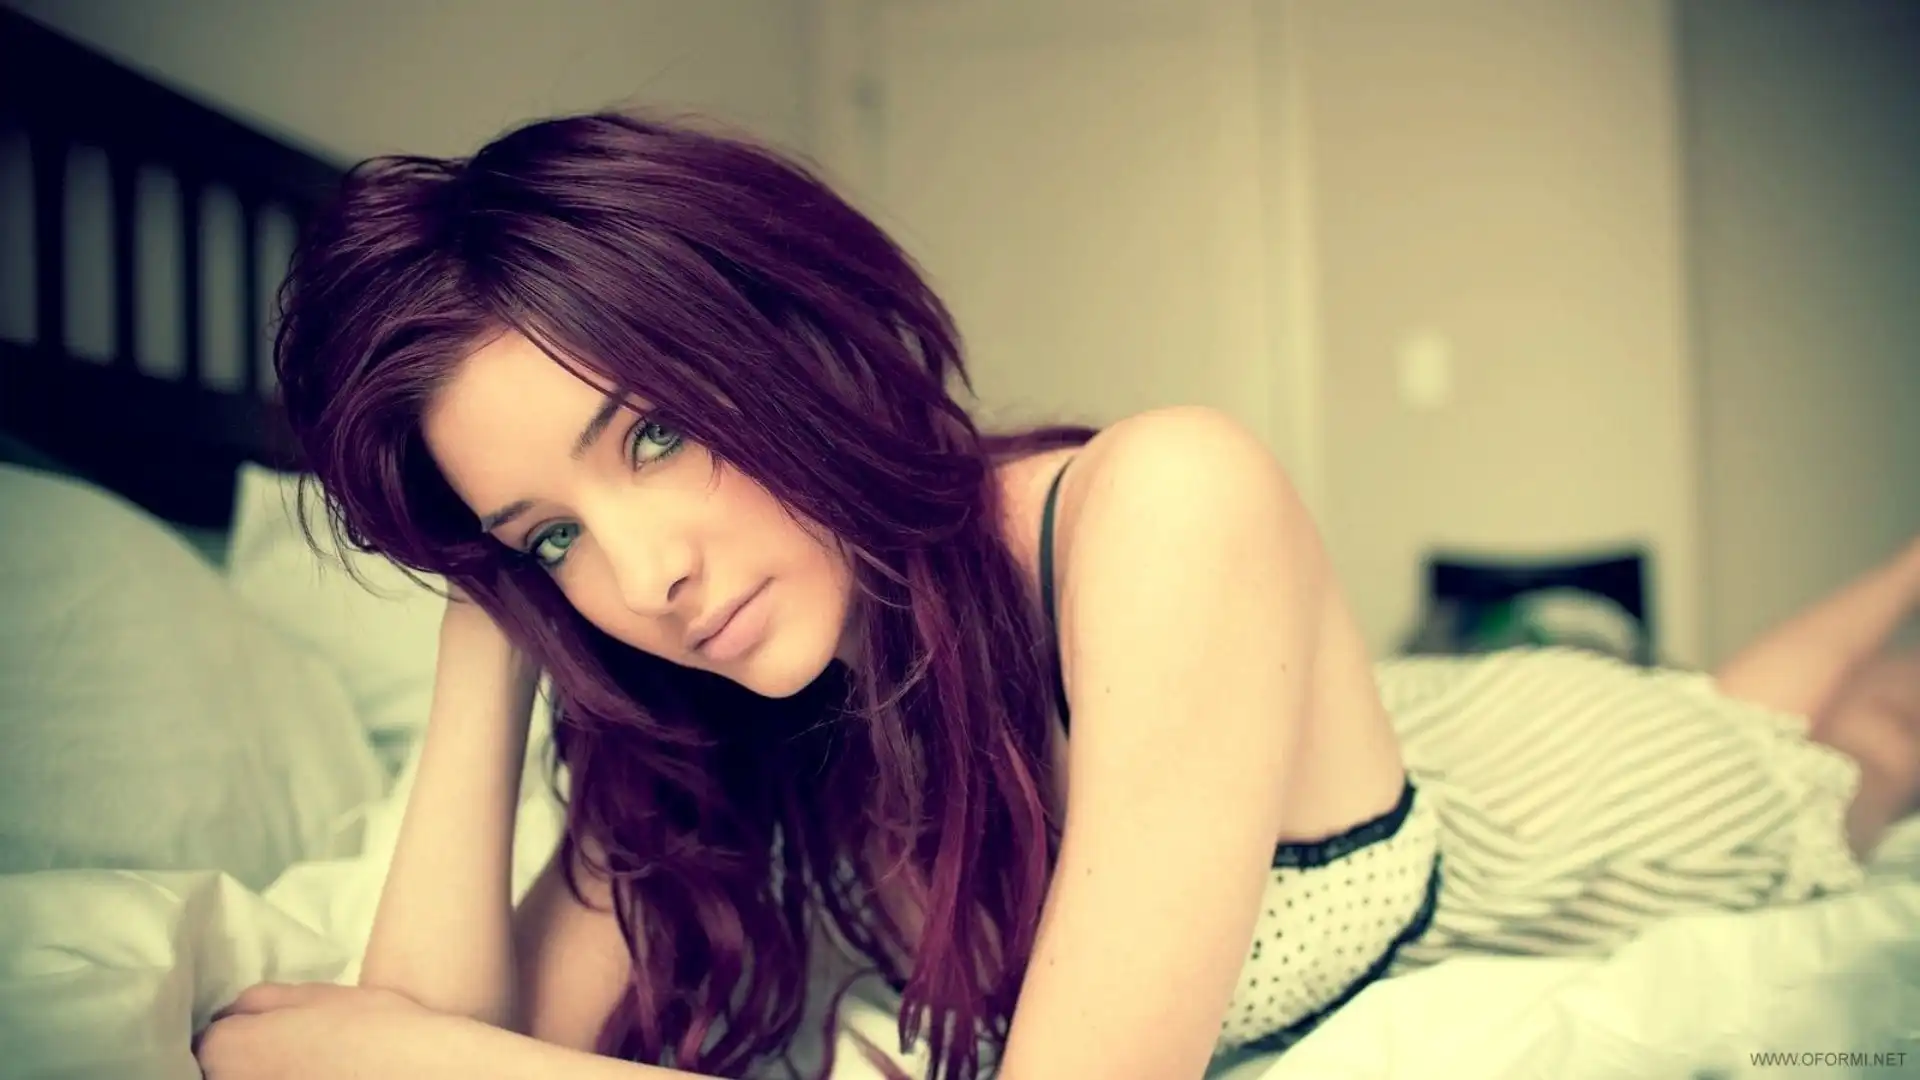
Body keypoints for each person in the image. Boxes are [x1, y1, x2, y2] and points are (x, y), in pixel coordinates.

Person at [192, 110, 1920, 1080]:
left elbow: (393, 1060)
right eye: (552, 534)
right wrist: (489, 620)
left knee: (1827, 741)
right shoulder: (711, 706)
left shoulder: (1164, 497)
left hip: (1566, 807)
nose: (646, 575)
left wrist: (400, 1062)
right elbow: (418, 1033)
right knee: (1763, 693)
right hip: (1268, 743)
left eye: (650, 433)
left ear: (774, 336)